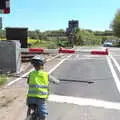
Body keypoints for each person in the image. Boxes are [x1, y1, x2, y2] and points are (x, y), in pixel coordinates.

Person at [26, 55, 59, 120]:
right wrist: (57, 81)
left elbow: (28, 82)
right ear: (42, 65)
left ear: (33, 65)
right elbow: (56, 81)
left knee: (29, 108)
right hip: (41, 98)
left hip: (30, 98)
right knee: (43, 115)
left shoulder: (31, 74)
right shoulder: (46, 74)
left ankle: (28, 116)